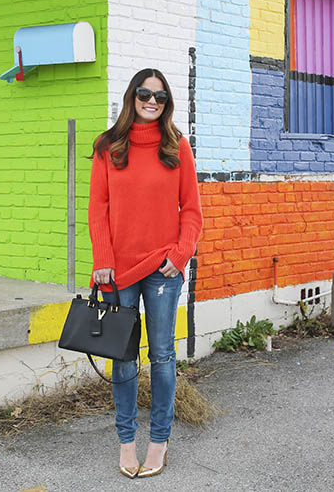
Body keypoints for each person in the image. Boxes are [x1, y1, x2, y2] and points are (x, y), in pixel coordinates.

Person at [89, 67, 203, 479]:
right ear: (131, 97)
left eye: (159, 96)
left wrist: (181, 253)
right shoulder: (108, 146)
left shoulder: (177, 147)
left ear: (167, 102)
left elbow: (191, 210)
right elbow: (97, 209)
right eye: (144, 93)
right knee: (122, 360)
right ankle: (125, 441)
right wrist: (102, 258)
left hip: (163, 269)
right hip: (118, 270)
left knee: (162, 356)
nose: (151, 101)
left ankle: (158, 442)